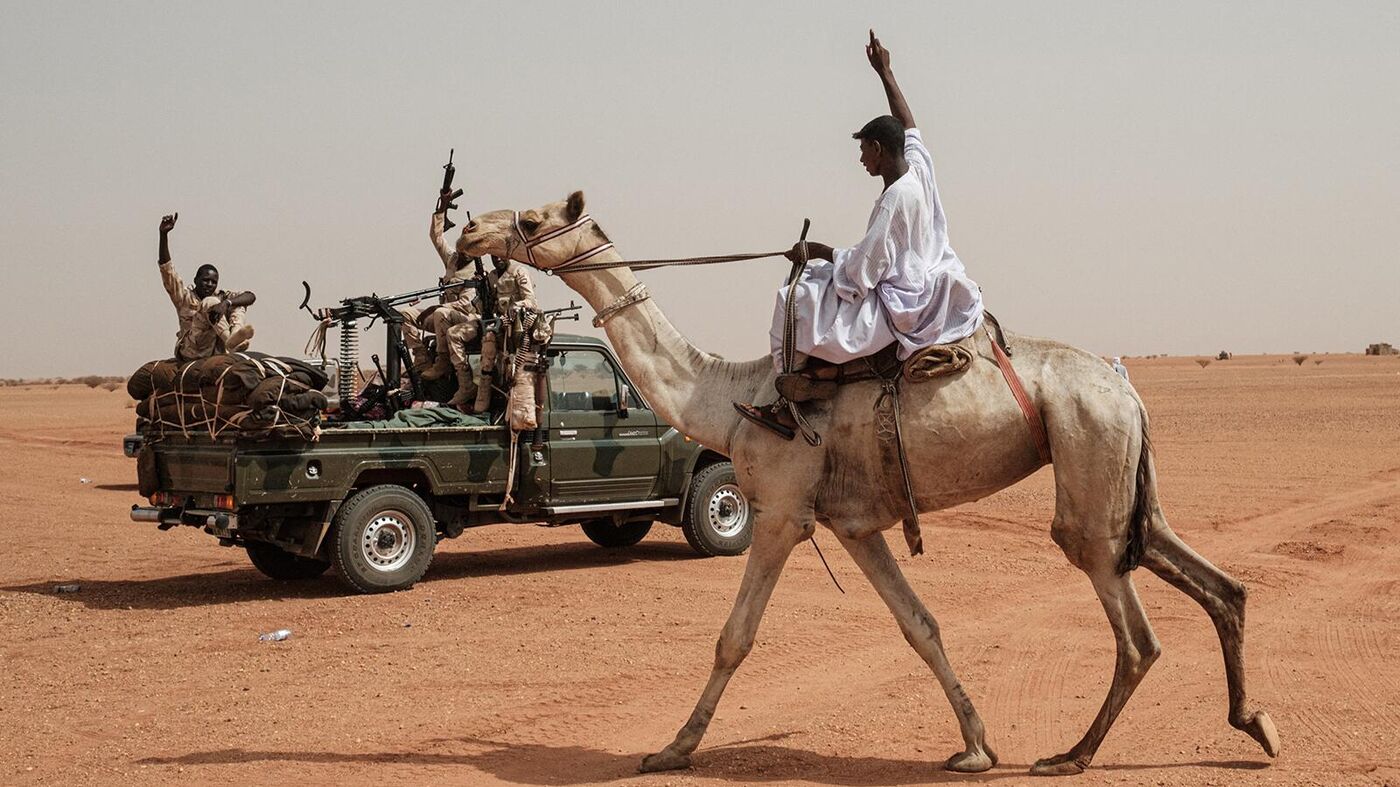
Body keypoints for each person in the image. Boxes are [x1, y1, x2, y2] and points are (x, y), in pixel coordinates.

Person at [735, 31, 984, 439]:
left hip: (904, 298)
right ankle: (813, 379)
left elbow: (863, 271)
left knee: (797, 298)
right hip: (930, 274)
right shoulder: (917, 170)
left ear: (880, 150)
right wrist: (885, 71)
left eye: (865, 150)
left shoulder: (894, 201)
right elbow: (910, 124)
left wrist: (816, 251)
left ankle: (788, 404)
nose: (861, 159)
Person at [156, 213, 256, 361]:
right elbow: (167, 270)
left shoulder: (221, 296)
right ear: (196, 280)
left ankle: (235, 337)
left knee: (238, 303)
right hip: (192, 349)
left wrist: (227, 303)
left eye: (213, 282)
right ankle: (232, 342)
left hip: (217, 350)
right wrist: (163, 235)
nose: (210, 284)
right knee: (210, 302)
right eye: (205, 280)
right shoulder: (184, 297)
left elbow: (250, 296)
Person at [415, 209, 484, 409]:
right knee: (403, 316)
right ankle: (422, 362)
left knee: (440, 312)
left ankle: (443, 360)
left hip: (465, 319)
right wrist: (440, 210)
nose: (461, 252)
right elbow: (436, 237)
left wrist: (439, 306)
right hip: (442, 318)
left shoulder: (476, 272)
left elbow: (466, 303)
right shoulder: (453, 260)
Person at [454, 253, 538, 412]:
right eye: (494, 257)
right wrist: (481, 293)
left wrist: (515, 308)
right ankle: (483, 391)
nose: (497, 259)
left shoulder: (519, 271)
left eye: (500, 256)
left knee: (505, 357)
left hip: (517, 326)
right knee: (488, 341)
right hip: (498, 325)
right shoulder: (492, 276)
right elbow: (489, 305)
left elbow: (531, 301)